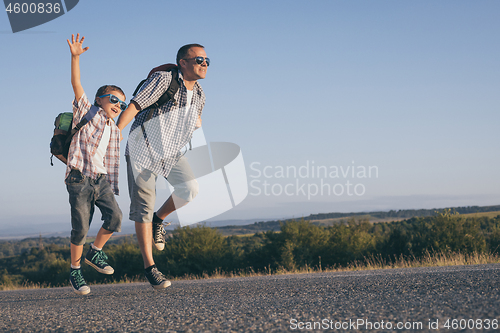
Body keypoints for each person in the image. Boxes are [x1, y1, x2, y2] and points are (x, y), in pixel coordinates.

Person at [117, 44, 208, 289]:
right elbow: (135, 106)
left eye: (207, 60)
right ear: (182, 62)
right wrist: (115, 135)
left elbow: (195, 124)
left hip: (171, 153)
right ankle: (150, 266)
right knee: (142, 208)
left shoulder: (200, 94)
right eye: (199, 59)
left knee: (189, 189)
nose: (205, 64)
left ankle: (160, 219)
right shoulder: (163, 80)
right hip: (142, 150)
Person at [65, 34, 125, 295]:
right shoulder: (87, 113)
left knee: (115, 218)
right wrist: (75, 57)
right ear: (100, 99)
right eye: (114, 99)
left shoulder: (114, 128)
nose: (118, 105)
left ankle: (95, 252)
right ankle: (75, 270)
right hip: (79, 178)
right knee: (80, 227)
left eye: (121, 104)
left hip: (101, 180)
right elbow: (76, 83)